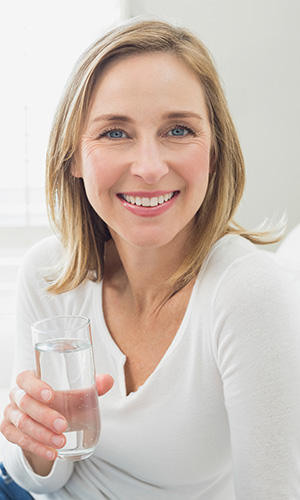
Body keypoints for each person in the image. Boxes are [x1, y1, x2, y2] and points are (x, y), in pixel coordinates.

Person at [1, 17, 300, 500]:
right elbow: (37, 477)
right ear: (74, 155)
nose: (149, 167)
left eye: (178, 129)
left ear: (215, 152)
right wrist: (36, 439)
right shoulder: (48, 273)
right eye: (115, 133)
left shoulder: (247, 292)